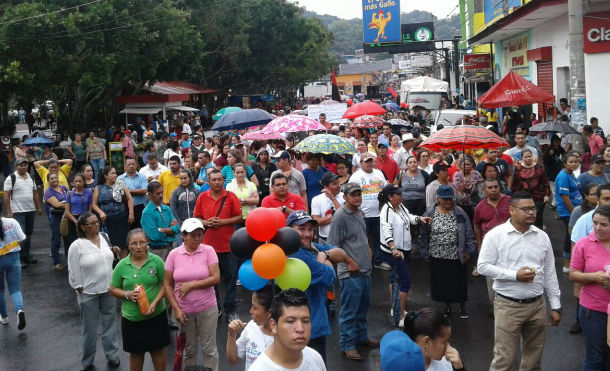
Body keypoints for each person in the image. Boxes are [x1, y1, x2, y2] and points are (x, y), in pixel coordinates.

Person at [478, 192, 561, 371]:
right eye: (525, 209)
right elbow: (483, 267)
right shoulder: (495, 235)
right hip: (508, 305)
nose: (531, 212)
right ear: (512, 210)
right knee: (504, 360)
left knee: (534, 359)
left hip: (537, 305)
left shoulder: (542, 236)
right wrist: (514, 275)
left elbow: (549, 272)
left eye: (533, 208)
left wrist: (555, 305)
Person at [286, 210, 359, 361]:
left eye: (310, 229)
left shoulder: (310, 248)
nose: (307, 234)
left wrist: (324, 255)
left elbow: (339, 251)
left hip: (309, 325)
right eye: (301, 229)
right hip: (308, 330)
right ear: (289, 232)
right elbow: (330, 276)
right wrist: (326, 257)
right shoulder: (298, 256)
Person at [327, 182, 379, 361]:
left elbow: (361, 237)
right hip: (350, 273)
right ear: (345, 197)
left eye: (359, 194)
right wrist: (349, 261)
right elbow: (332, 247)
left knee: (363, 307)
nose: (357, 197)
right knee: (349, 311)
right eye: (353, 195)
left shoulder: (360, 212)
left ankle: (361, 336)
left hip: (364, 270)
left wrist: (369, 250)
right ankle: (348, 345)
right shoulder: (340, 216)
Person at [163, 218, 220, 371]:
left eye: (200, 234)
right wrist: (176, 309)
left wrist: (191, 285)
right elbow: (167, 284)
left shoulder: (208, 250)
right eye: (192, 235)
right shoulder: (174, 255)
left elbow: (216, 277)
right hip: (184, 311)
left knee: (210, 349)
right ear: (183, 235)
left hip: (207, 309)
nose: (197, 238)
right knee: (189, 349)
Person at [67, 213, 121, 371]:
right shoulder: (77, 246)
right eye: (92, 223)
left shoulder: (104, 237)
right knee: (89, 330)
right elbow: (73, 270)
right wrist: (79, 288)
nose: (96, 225)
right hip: (88, 293)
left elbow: (106, 257)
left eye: (97, 222)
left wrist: (113, 250)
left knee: (110, 325)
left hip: (108, 289)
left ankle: (112, 354)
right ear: (83, 227)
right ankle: (88, 360)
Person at [109, 229, 169, 371]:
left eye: (141, 242)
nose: (138, 247)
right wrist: (127, 294)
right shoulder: (122, 266)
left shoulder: (156, 261)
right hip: (132, 319)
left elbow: (165, 285)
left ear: (147, 243)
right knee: (136, 354)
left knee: (157, 351)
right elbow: (112, 289)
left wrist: (154, 303)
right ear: (128, 246)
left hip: (156, 315)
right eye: (134, 243)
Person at [379, 184, 431, 327]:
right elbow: (386, 230)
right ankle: (400, 315)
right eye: (398, 194)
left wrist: (420, 219)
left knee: (394, 279)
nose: (402, 195)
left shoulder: (400, 206)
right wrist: (393, 248)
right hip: (395, 251)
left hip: (404, 248)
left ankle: (395, 308)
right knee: (405, 281)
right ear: (390, 197)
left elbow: (408, 217)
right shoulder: (387, 211)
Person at [193, 169, 242, 321]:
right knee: (211, 281)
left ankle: (230, 309)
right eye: (214, 180)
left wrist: (222, 222)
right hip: (208, 247)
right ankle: (216, 309)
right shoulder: (202, 197)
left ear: (223, 180)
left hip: (228, 246)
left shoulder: (231, 196)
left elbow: (239, 217)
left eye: (219, 179)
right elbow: (196, 217)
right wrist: (207, 223)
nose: (217, 182)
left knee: (230, 279)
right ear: (208, 181)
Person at [420, 185, 476, 319]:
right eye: (445, 200)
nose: (448, 202)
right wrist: (425, 252)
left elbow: (468, 232)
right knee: (443, 282)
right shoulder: (429, 213)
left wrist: (469, 250)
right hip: (437, 254)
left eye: (450, 199)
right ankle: (447, 306)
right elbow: (424, 234)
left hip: (456, 254)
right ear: (438, 199)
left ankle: (462, 306)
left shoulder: (460, 212)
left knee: (459, 281)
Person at [570, 205, 610, 370]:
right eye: (595, 223)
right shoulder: (584, 244)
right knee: (595, 357)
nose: (598, 228)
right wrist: (593, 277)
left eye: (604, 225)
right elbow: (573, 274)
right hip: (593, 310)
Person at [249, 288, 326, 371]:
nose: (300, 329)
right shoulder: (259, 368)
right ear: (273, 325)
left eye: (305, 321)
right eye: (290, 321)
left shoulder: (315, 358)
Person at [473, 178, 511, 300]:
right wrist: (480, 245)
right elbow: (477, 226)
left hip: (510, 244)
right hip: (489, 247)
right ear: (484, 190)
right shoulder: (480, 206)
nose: (494, 190)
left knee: (510, 274)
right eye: (490, 188)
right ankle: (494, 305)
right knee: (491, 278)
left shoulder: (509, 201)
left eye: (496, 187)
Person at [3, 157, 42, 267]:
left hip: (30, 210)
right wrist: (9, 212)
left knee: (28, 235)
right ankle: (18, 259)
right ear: (16, 166)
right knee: (20, 235)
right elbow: (6, 196)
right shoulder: (11, 178)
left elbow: (35, 193)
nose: (24, 166)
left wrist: (38, 207)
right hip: (17, 212)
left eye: (25, 165)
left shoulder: (31, 177)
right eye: (21, 165)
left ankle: (26, 256)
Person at [226, 287, 274, 370]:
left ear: (269, 313)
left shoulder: (284, 337)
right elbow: (233, 359)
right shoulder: (251, 326)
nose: (251, 311)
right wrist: (232, 334)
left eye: (255, 308)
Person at [92, 166, 135, 258]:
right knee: (109, 244)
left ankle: (123, 266)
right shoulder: (99, 188)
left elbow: (130, 199)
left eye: (115, 173)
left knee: (123, 244)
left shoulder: (120, 184)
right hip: (107, 220)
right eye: (112, 173)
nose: (115, 175)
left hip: (121, 218)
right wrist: (101, 212)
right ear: (105, 176)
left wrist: (131, 213)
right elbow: (94, 205)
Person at [0, 202, 28, 329]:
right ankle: (19, 310)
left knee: (0, 290)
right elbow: (22, 238)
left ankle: (4, 317)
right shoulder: (11, 222)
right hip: (13, 258)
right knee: (15, 289)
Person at [555, 152, 583, 271]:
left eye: (576, 162)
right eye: (571, 162)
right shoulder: (563, 176)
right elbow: (565, 197)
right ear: (565, 163)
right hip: (568, 212)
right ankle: (567, 264)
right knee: (571, 235)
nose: (574, 164)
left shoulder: (571, 174)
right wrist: (574, 213)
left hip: (576, 209)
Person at [511, 149, 550, 228]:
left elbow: (545, 182)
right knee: (524, 218)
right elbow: (515, 183)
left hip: (538, 197)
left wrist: (546, 195)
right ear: (522, 158)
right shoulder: (518, 168)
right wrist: (514, 197)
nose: (528, 158)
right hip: (523, 199)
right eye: (526, 157)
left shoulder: (539, 167)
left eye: (529, 156)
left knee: (537, 219)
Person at [142, 181, 181, 261]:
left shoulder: (166, 209)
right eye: (157, 193)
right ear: (149, 195)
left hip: (172, 248)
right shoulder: (147, 212)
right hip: (157, 251)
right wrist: (170, 230)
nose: (161, 195)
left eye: (162, 192)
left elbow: (177, 229)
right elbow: (155, 236)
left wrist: (162, 230)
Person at [44, 173, 70, 270]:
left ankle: (69, 260)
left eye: (56, 177)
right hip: (56, 219)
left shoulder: (64, 188)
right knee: (56, 240)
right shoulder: (48, 192)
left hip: (66, 217)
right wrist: (66, 203)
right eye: (52, 178)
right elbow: (56, 205)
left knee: (68, 240)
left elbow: (71, 199)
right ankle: (56, 262)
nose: (54, 180)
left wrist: (64, 203)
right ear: (48, 180)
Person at [311, 172, 344, 243]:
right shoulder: (316, 199)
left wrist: (333, 198)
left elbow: (344, 218)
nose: (338, 186)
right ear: (326, 187)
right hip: (324, 239)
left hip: (342, 238)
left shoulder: (344, 196)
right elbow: (316, 221)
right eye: (334, 184)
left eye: (338, 183)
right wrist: (336, 217)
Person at [118, 157, 148, 229]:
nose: (131, 166)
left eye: (133, 164)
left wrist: (127, 191)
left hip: (141, 207)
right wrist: (137, 191)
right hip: (125, 208)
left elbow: (144, 191)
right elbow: (120, 193)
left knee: (141, 229)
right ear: (124, 166)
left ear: (136, 165)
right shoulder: (120, 178)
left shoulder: (142, 177)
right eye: (129, 164)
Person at [64, 173, 93, 247]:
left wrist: (87, 220)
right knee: (74, 242)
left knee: (86, 241)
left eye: (80, 181)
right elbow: (67, 212)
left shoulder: (89, 192)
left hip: (85, 219)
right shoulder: (69, 193)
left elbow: (90, 208)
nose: (78, 183)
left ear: (84, 182)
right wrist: (76, 222)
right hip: (73, 219)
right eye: (76, 181)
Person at [226, 163, 259, 228]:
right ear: (234, 173)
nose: (240, 175)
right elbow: (229, 203)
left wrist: (240, 200)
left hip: (251, 218)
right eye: (237, 172)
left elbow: (256, 201)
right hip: (236, 219)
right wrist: (249, 200)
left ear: (245, 172)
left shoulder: (252, 184)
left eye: (242, 172)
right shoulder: (229, 186)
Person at [452, 156, 482, 223]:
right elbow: (456, 189)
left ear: (472, 165)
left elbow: (481, 187)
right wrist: (462, 188)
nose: (466, 166)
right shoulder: (457, 175)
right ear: (460, 165)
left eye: (468, 164)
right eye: (464, 164)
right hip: (461, 204)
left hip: (475, 203)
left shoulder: (476, 174)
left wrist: (474, 187)